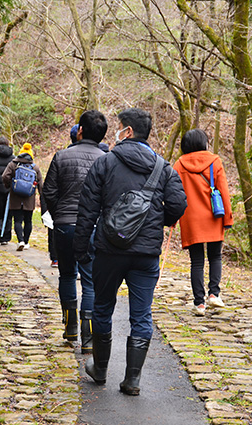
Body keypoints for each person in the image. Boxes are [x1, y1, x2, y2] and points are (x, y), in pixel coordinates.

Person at [74, 107, 187, 395]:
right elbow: (177, 205)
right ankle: (132, 380)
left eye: (119, 127)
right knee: (142, 314)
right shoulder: (164, 168)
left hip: (109, 250)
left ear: (127, 132)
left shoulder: (105, 163)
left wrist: (81, 249)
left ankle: (99, 370)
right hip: (146, 254)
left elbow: (87, 209)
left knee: (103, 306)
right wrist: (156, 222)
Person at [44, 113, 107, 354]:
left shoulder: (62, 156)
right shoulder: (106, 159)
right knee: (90, 280)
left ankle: (70, 328)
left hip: (65, 225)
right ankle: (88, 337)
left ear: (80, 130)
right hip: (94, 226)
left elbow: (49, 191)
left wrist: (58, 213)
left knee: (67, 275)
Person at [173, 129, 233, 316]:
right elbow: (223, 190)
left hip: (190, 218)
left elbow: (174, 193)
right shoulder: (215, 161)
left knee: (196, 261)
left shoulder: (179, 165)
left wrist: (172, 215)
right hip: (214, 214)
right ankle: (214, 294)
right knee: (215, 256)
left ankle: (199, 304)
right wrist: (228, 217)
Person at [2, 143, 43, 251]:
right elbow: (41, 184)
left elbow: (4, 176)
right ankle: (26, 241)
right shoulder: (35, 167)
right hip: (29, 198)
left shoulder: (13, 165)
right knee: (28, 221)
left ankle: (20, 240)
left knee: (18, 220)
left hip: (15, 197)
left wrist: (10, 185)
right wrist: (41, 195)